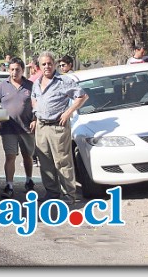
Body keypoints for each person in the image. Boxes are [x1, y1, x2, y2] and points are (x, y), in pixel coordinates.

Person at [30, 51, 89, 205]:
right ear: (39, 66)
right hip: (42, 127)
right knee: (45, 162)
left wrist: (68, 112)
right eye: (44, 64)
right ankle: (52, 193)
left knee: (62, 162)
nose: (47, 66)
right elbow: (35, 99)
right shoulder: (36, 83)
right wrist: (36, 116)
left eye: (49, 63)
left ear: (54, 64)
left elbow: (82, 96)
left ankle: (69, 195)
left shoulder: (63, 81)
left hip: (58, 127)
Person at [0, 57, 36, 198]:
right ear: (8, 70)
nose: (14, 72)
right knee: (10, 156)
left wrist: (35, 119)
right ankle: (9, 185)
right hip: (8, 128)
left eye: (17, 69)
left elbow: (37, 104)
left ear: (23, 70)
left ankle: (29, 181)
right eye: (12, 69)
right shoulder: (2, 86)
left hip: (27, 128)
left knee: (27, 156)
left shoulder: (31, 86)